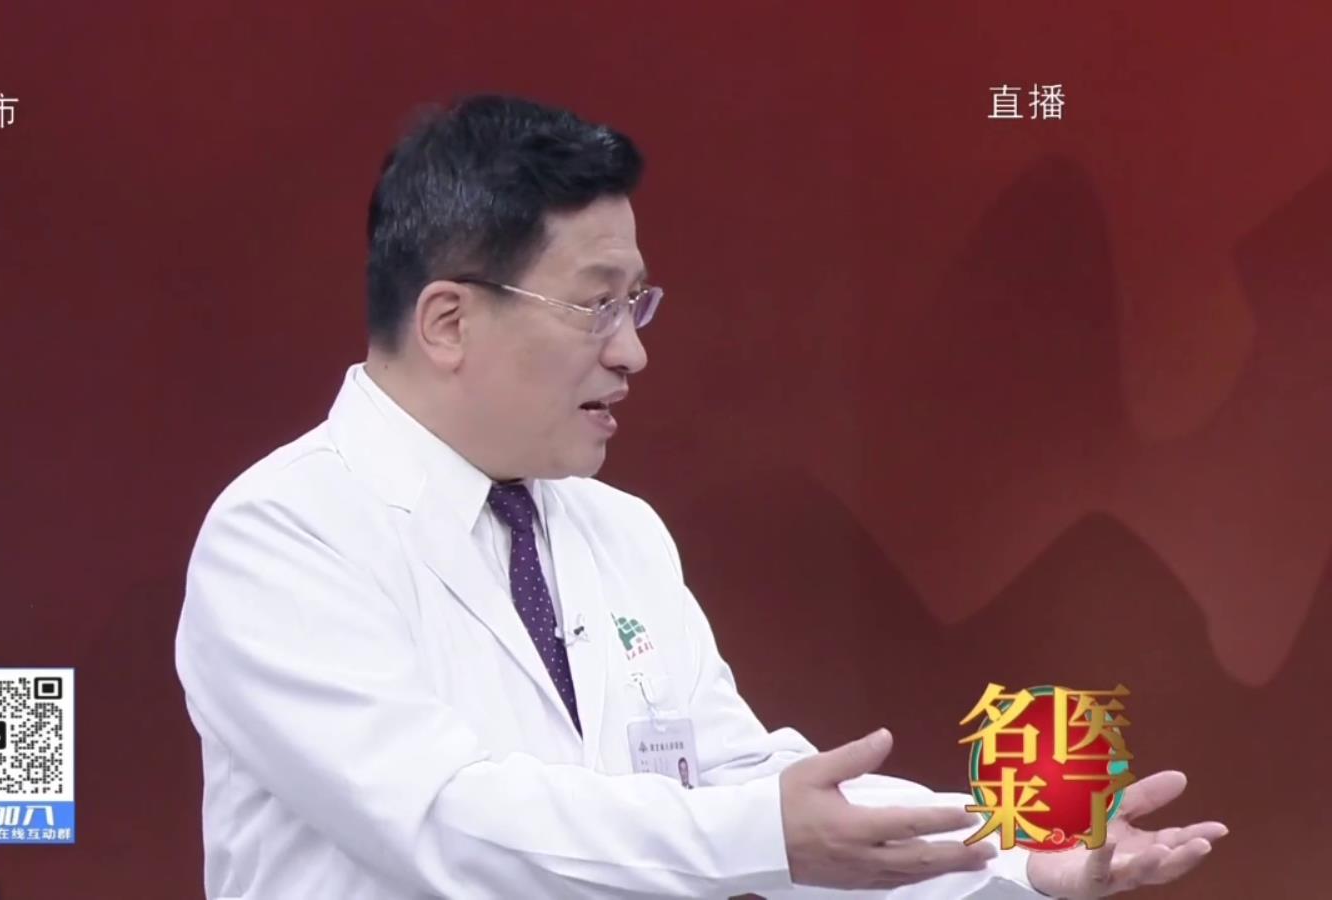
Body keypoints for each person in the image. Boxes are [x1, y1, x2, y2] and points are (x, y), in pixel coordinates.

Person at [174, 94, 1225, 899]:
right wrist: (761, 832)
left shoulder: (616, 530)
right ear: (448, 322)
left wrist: (1015, 855)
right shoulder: (284, 538)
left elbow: (737, 780)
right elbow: (447, 823)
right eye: (595, 306)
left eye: (636, 305)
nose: (631, 352)